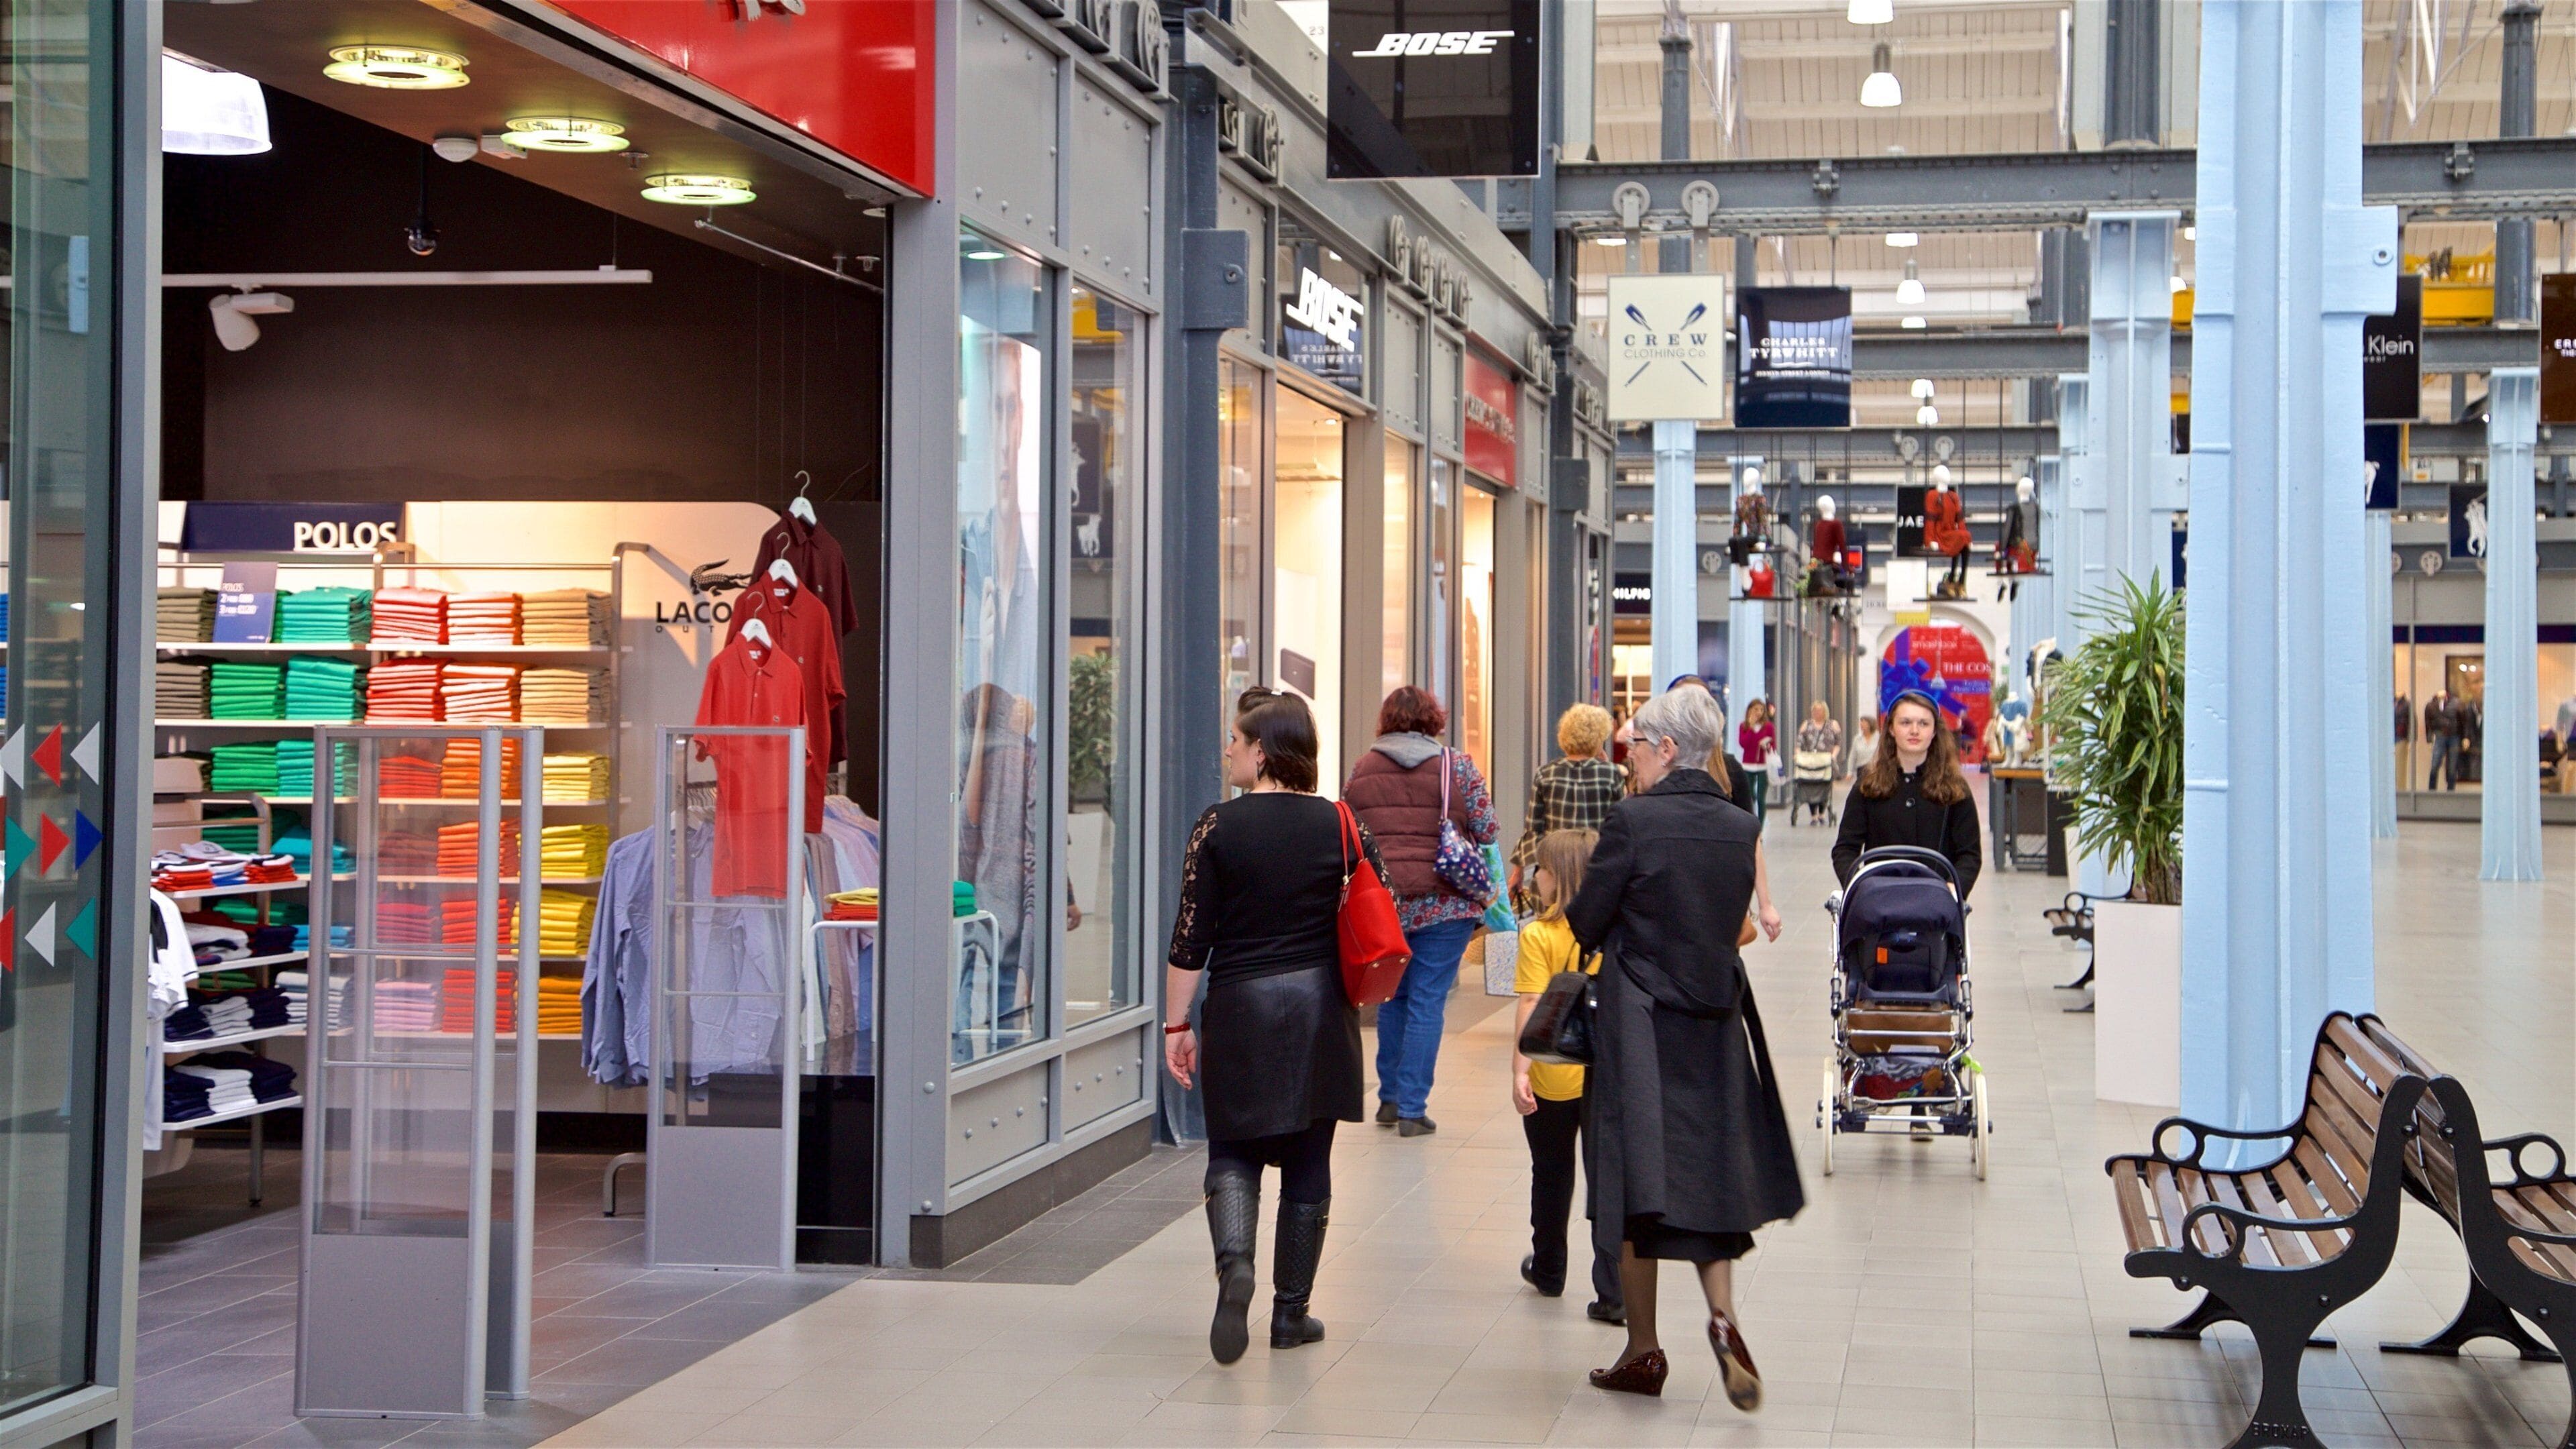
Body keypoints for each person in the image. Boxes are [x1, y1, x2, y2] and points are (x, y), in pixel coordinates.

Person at [1568, 685, 1805, 1409]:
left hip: (1639, 1020)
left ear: (1667, 750)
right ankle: (1724, 1319)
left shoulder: (1634, 821)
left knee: (1636, 1180)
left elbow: (1586, 920)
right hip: (1714, 1014)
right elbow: (1731, 922)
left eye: (1635, 744)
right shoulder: (1739, 826)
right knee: (1708, 1174)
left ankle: (1643, 1351)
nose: (1629, 758)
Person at [1165, 688, 1385, 1364]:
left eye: (1236, 737)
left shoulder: (1218, 827)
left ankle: (1235, 1265)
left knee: (1232, 1147)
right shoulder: (1342, 825)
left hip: (1240, 1006)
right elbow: (1377, 900)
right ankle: (1292, 1316)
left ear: (1262, 751)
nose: (1228, 747)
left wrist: (1177, 1025)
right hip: (1321, 1008)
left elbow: (1190, 937)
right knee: (1309, 1160)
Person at [1344, 686, 1497, 1137]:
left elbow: (1350, 828)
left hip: (1385, 904)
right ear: (1435, 720)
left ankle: (1389, 1099)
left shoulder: (1364, 768)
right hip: (1446, 902)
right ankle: (1413, 1107)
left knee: (1393, 996)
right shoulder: (1457, 765)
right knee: (1428, 1000)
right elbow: (1487, 828)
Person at [1511, 828, 1623, 1324]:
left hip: (1555, 1068)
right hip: (1603, 1068)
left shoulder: (1538, 934)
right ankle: (1612, 1283)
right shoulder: (1612, 929)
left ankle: (1550, 1267)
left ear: (1560, 877)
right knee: (1606, 1176)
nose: (1536, 876)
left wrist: (1520, 1068)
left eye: (1543, 869)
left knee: (1551, 1171)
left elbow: (1532, 1002)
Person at [1832, 690, 1982, 898]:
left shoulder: (1954, 788)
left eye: (1923, 724)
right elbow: (1846, 849)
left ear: (1934, 731)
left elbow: (1970, 854)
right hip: (1880, 904)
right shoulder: (1868, 785)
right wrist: (1858, 887)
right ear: (1892, 729)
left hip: (1936, 905)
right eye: (1905, 723)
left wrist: (1954, 890)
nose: (1914, 730)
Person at [1507, 704, 1625, 914]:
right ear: (1599, 737)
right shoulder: (1611, 775)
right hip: (1594, 873)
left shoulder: (1546, 774)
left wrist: (1517, 872)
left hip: (1553, 872)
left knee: (1550, 934)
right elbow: (1619, 829)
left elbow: (1533, 831)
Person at [1794, 702, 1842, 825]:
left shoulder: (1833, 725)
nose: (1817, 713)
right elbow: (1799, 742)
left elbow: (1838, 743)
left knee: (1825, 786)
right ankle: (1813, 815)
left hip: (1825, 760)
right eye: (1815, 710)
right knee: (1811, 785)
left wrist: (1833, 756)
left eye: (1820, 711)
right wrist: (1798, 755)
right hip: (1811, 760)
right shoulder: (1807, 725)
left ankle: (1822, 813)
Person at [1736, 699, 1778, 835]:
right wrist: (1751, 728)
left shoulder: (1769, 727)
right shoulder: (1744, 726)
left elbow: (1773, 745)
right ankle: (1750, 822)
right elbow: (1744, 744)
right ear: (1750, 711)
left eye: (1761, 710)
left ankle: (1760, 828)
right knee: (1750, 796)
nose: (1759, 713)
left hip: (1763, 765)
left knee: (1761, 797)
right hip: (1748, 765)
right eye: (1756, 710)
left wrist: (1766, 745)